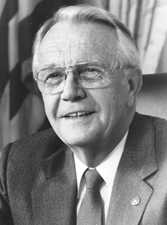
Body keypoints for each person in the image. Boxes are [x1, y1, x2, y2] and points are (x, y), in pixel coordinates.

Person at [0, 5, 167, 225]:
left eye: (90, 72)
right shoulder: (17, 165)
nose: (70, 92)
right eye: (54, 76)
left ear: (131, 85)